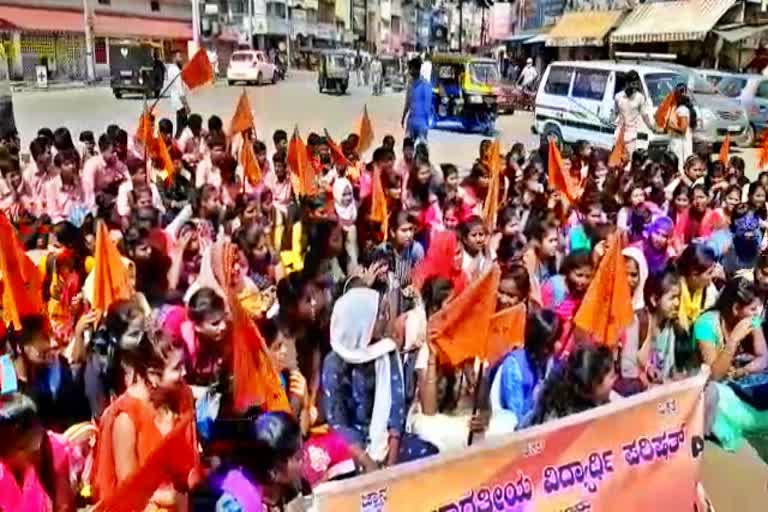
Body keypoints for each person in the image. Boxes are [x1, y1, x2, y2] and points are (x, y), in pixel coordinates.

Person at [612, 70, 657, 155]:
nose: (634, 87)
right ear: (627, 83)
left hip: (631, 135)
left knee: (629, 159)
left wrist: (651, 127)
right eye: (633, 84)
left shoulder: (640, 98)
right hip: (619, 134)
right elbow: (615, 112)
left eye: (636, 84)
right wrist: (613, 121)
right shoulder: (618, 96)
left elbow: (644, 115)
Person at [401, 57, 433, 145]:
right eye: (409, 69)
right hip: (411, 121)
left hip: (422, 122)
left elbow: (428, 105)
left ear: (417, 69)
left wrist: (427, 122)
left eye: (411, 68)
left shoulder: (425, 85)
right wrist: (403, 117)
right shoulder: (410, 84)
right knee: (407, 147)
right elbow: (407, 103)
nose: (409, 71)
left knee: (421, 149)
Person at [167, 51, 190, 139]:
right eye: (179, 57)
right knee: (182, 127)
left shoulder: (170, 69)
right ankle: (178, 142)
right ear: (174, 58)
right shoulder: (176, 70)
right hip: (180, 102)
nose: (181, 59)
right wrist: (186, 105)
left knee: (181, 124)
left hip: (175, 100)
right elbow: (180, 89)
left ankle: (178, 140)